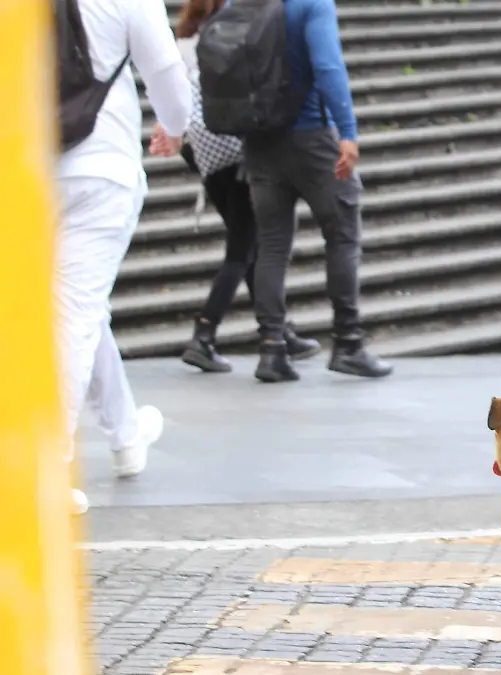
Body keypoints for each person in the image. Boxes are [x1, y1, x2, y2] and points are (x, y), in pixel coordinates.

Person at [54, 0, 194, 514]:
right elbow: (166, 75)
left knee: (79, 308)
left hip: (24, 170)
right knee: (74, 313)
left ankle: (126, 433)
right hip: (100, 169)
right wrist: (176, 126)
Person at [232, 0, 392, 382]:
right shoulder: (311, 3)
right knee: (342, 236)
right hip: (312, 140)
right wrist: (348, 131)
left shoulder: (246, 5)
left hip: (259, 140)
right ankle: (348, 344)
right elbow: (327, 66)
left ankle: (271, 349)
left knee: (271, 245)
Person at [163, 0, 323, 374]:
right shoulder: (234, 33)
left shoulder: (185, 39)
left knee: (246, 243)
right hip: (237, 148)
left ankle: (279, 331)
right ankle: (204, 334)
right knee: (242, 248)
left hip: (203, 152)